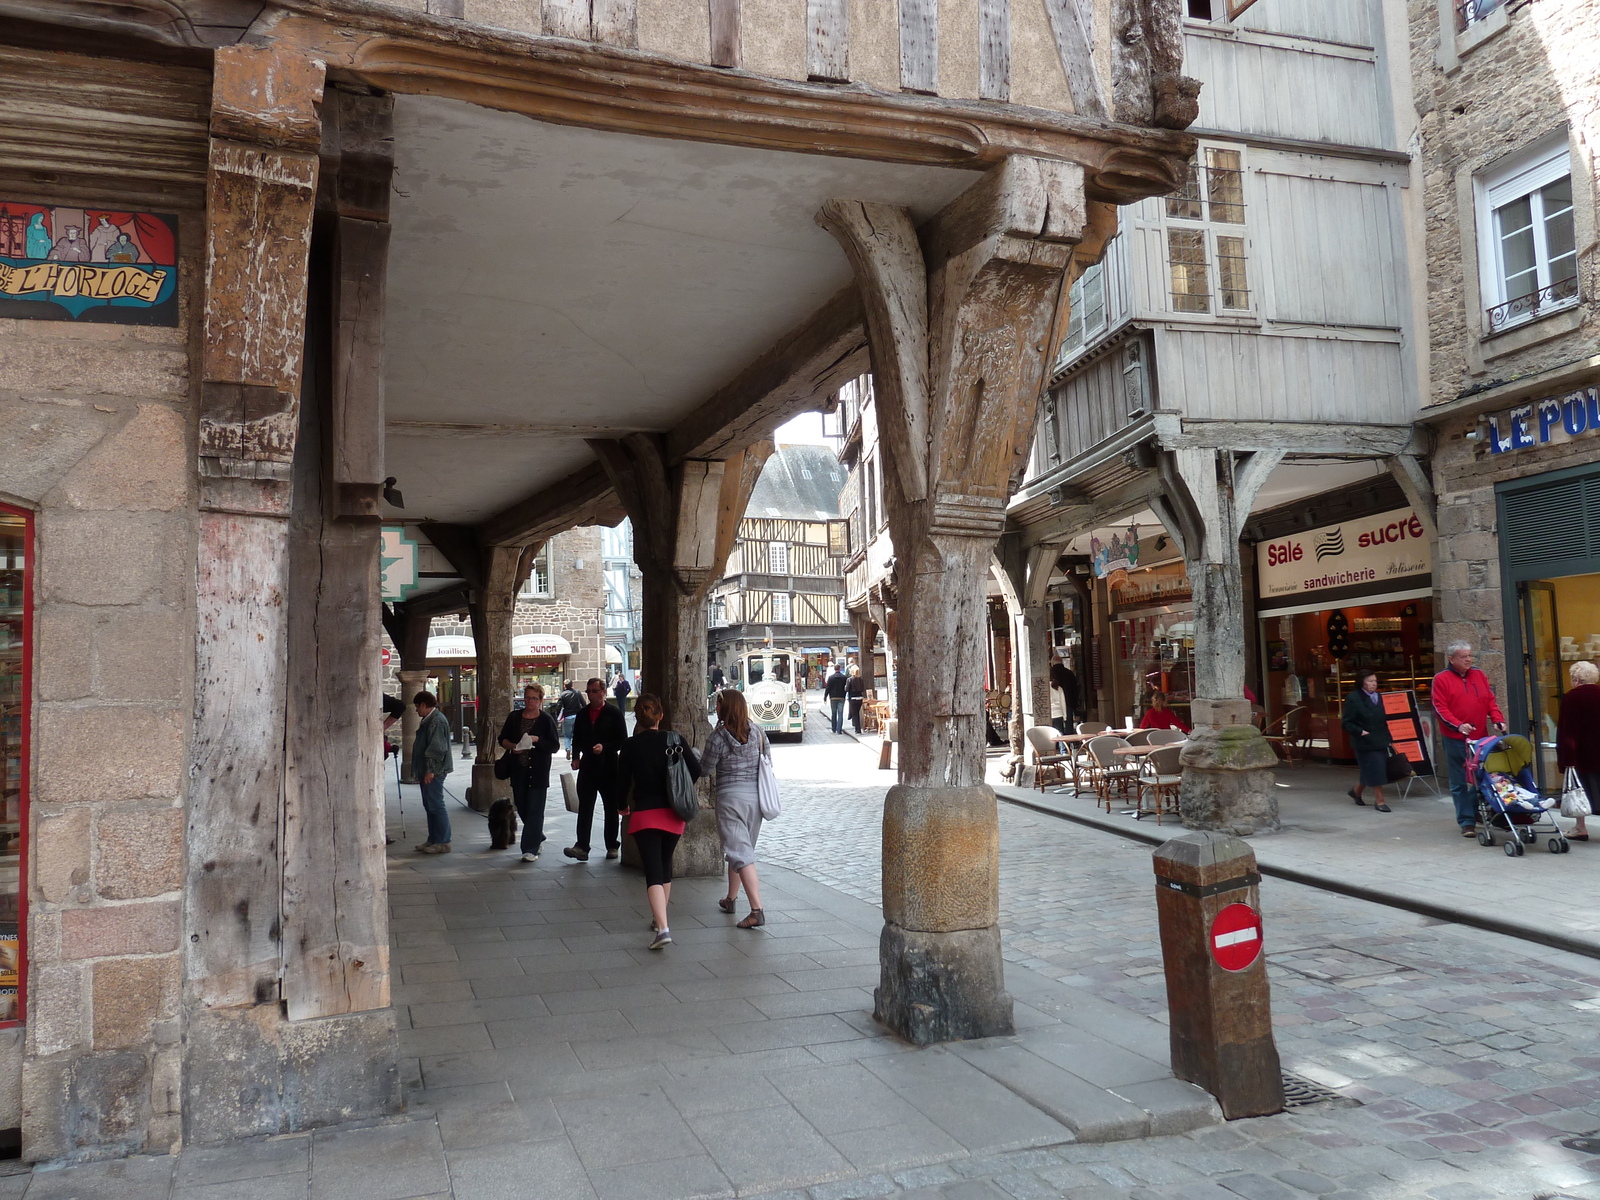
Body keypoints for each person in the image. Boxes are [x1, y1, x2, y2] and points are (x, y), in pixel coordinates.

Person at [614, 693, 701, 949]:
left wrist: (622, 806)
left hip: (645, 815)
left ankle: (663, 928)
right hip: (674, 816)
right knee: (664, 864)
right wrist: (677, 791)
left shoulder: (630, 746)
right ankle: (659, 918)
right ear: (660, 715)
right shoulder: (674, 739)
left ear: (638, 717)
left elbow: (622, 781)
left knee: (652, 871)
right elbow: (695, 770)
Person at [701, 689, 769, 928]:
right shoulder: (759, 732)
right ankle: (731, 898)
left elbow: (705, 768)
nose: (716, 709)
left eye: (718, 705)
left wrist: (697, 756)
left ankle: (756, 910)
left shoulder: (718, 737)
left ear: (725, 708)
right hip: (755, 800)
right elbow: (768, 761)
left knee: (741, 854)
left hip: (730, 799)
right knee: (740, 849)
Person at [1432, 640, 1507, 837]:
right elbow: (1440, 708)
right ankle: (1466, 821)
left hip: (1480, 737)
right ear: (1451, 659)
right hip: (1455, 738)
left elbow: (1490, 700)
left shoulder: (1478, 675)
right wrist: (1458, 725)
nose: (1468, 659)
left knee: (1481, 778)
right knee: (1459, 781)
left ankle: (1475, 812)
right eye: (1463, 657)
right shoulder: (1441, 679)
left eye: (1469, 656)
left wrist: (1498, 719)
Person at [566, 677, 628, 861]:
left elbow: (622, 739)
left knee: (610, 807)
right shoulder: (582, 713)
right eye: (588, 691)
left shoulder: (613, 713)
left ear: (603, 692)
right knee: (585, 806)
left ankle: (612, 845)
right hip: (588, 767)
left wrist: (605, 747)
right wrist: (576, 757)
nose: (591, 695)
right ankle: (582, 846)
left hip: (608, 766)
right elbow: (576, 736)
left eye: (594, 691)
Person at [499, 684, 558, 860]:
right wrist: (512, 746)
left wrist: (537, 739)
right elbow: (502, 738)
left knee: (535, 809)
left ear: (540, 701)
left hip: (538, 771)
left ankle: (530, 849)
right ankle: (537, 834)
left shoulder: (546, 720)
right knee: (522, 806)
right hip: (518, 770)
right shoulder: (515, 717)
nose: (529, 701)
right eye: (527, 697)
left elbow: (554, 746)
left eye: (533, 698)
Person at [1555, 659, 1598, 841]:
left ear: (1576, 679)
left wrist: (1567, 759)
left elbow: (1568, 731)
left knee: (1580, 791)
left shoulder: (1572, 697)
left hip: (1583, 756)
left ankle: (1581, 827)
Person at [1341, 671, 1393, 813]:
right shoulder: (1354, 698)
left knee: (1372, 769)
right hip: (1364, 741)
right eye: (1370, 681)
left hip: (1380, 739)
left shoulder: (1379, 697)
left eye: (1375, 681)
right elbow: (1346, 722)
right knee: (1376, 769)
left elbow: (1383, 720)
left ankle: (1356, 791)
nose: (1373, 684)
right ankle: (1380, 800)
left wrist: (1389, 738)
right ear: (1362, 682)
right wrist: (1361, 732)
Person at [411, 691, 453, 854]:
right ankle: (434, 838)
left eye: (417, 706)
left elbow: (436, 748)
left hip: (435, 770)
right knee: (429, 804)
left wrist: (430, 770)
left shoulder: (436, 721)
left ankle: (443, 840)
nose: (416, 710)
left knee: (435, 804)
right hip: (429, 769)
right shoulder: (429, 720)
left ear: (423, 704)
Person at [1050, 655, 1079, 728]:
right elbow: (1075, 692)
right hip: (1069, 704)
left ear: (1052, 663)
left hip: (1055, 709)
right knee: (1069, 728)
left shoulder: (1050, 674)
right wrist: (1076, 710)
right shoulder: (1069, 673)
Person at [556, 679, 583, 756]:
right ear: (572, 685)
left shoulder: (563, 694)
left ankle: (568, 749)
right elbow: (583, 703)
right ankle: (575, 750)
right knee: (576, 734)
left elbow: (558, 706)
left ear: (564, 686)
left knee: (567, 735)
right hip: (577, 716)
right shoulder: (577, 693)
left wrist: (558, 716)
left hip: (567, 717)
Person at [824, 662, 849, 734]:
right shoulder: (844, 677)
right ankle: (839, 729)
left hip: (833, 697)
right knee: (840, 713)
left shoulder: (830, 677)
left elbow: (828, 688)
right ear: (840, 669)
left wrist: (825, 697)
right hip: (841, 697)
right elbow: (846, 687)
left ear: (834, 669)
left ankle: (833, 728)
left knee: (833, 713)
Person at [846, 664, 867, 734]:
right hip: (860, 698)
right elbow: (863, 688)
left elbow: (847, 689)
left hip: (853, 698)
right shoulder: (861, 679)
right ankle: (858, 728)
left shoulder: (849, 679)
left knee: (855, 714)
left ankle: (857, 729)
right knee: (857, 712)